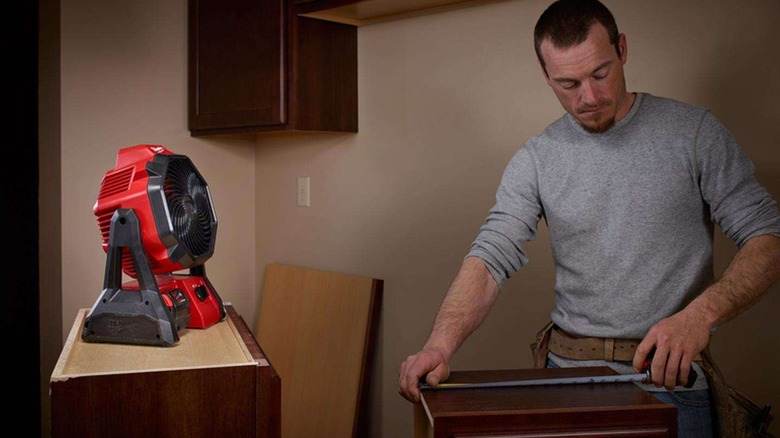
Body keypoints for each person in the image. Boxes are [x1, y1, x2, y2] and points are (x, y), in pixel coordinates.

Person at [397, 0, 780, 436]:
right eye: (568, 83)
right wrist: (438, 345)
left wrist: (700, 315)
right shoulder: (537, 158)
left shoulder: (695, 134)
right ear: (546, 76)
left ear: (621, 49)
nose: (590, 97)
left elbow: (768, 239)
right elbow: (490, 258)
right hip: (567, 375)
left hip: (666, 378)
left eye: (600, 73)